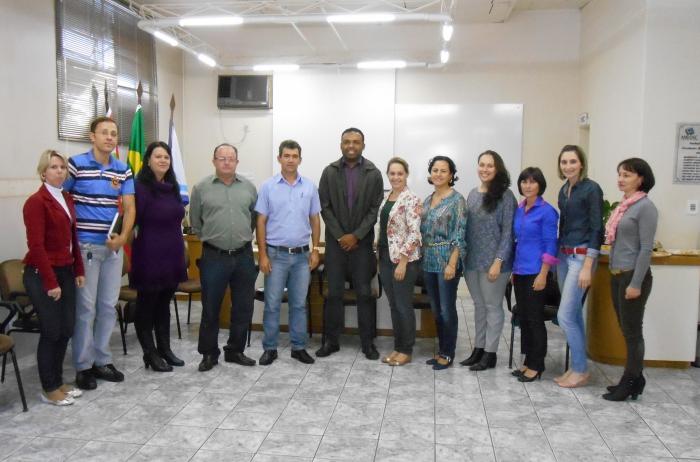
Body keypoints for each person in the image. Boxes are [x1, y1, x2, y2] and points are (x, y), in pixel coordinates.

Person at [64, 117, 135, 390]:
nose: (109, 137)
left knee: (107, 306)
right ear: (92, 136)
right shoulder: (76, 165)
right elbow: (62, 199)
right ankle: (83, 365)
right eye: (104, 133)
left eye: (114, 133)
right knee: (86, 308)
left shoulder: (122, 169)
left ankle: (102, 360)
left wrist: (123, 238)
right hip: (85, 248)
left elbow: (130, 208)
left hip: (112, 249)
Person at [23, 150, 85, 405]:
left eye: (62, 167)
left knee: (67, 328)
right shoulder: (36, 202)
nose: (60, 171)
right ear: (43, 173)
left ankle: (58, 381)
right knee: (52, 330)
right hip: (42, 273)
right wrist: (51, 282)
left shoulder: (66, 198)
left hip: (65, 270)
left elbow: (73, 239)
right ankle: (49, 387)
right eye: (54, 167)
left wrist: (79, 269)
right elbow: (36, 246)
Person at [190, 143, 258, 372]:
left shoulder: (249, 188)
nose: (227, 162)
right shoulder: (201, 188)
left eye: (231, 158)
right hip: (214, 256)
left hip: (243, 255)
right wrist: (213, 238)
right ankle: (209, 354)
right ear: (214, 161)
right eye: (222, 158)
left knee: (243, 306)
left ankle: (235, 350)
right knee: (211, 307)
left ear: (237, 162)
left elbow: (253, 220)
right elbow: (196, 223)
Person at [316, 128, 384, 360]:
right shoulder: (329, 171)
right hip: (336, 246)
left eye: (356, 142)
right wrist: (340, 235)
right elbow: (324, 206)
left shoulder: (373, 173)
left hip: (362, 245)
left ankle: (368, 343)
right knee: (334, 294)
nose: (351, 145)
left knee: (364, 293)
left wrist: (356, 235)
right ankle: (331, 341)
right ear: (341, 144)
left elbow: (375, 209)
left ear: (363, 145)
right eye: (347, 142)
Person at [255, 140, 321, 366]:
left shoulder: (310, 187)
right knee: (272, 303)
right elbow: (260, 221)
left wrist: (316, 249)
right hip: (276, 255)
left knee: (299, 304)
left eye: (294, 156)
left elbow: (315, 219)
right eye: (286, 155)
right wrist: (262, 254)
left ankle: (298, 347)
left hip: (303, 257)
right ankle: (270, 348)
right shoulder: (267, 187)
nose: (290, 159)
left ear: (300, 159)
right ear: (279, 158)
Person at [130, 141, 187, 372]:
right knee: (147, 305)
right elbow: (132, 220)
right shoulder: (139, 187)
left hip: (171, 252)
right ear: (148, 160)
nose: (163, 160)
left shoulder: (172, 187)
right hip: (149, 253)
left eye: (166, 157)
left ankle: (165, 349)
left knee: (164, 303)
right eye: (158, 156)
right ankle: (149, 353)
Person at [603, 158, 657, 401]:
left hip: (633, 277)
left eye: (627, 175)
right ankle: (637, 378)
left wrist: (635, 283)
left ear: (641, 179)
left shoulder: (645, 207)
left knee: (633, 332)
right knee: (626, 330)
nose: (621, 179)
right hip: (617, 274)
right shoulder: (625, 205)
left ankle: (630, 380)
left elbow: (646, 249)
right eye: (620, 174)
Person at [461, 150, 516, 371]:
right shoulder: (473, 194)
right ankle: (479, 348)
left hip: (495, 263)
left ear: (498, 168)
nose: (485, 169)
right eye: (481, 164)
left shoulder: (506, 195)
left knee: (493, 306)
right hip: (472, 261)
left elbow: (508, 232)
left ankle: (491, 353)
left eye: (490, 165)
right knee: (479, 306)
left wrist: (499, 261)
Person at [555, 145, 603, 388]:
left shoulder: (591, 188)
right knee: (573, 315)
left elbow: (597, 228)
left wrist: (588, 265)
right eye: (564, 162)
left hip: (581, 258)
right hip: (564, 256)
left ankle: (581, 369)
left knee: (564, 316)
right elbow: (563, 227)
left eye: (572, 161)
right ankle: (578, 366)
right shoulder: (565, 190)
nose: (568, 166)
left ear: (581, 164)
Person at [511, 167, 559, 382]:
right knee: (524, 318)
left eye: (532, 182)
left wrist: (543, 274)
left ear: (540, 185)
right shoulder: (520, 209)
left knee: (535, 319)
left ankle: (537, 364)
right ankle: (528, 361)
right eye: (524, 181)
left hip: (537, 272)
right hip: (520, 271)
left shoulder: (547, 211)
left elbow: (550, 245)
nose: (527, 185)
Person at [421, 156, 467, 370]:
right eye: (435, 170)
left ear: (451, 175)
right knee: (436, 309)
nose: (438, 174)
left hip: (447, 260)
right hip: (428, 260)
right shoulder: (428, 199)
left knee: (447, 309)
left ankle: (448, 353)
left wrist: (452, 263)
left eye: (443, 170)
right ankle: (441, 350)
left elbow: (460, 233)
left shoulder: (457, 200)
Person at [377, 157, 422, 367]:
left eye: (400, 173)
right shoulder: (387, 198)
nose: (396, 177)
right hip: (385, 257)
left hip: (403, 261)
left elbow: (414, 233)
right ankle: (397, 347)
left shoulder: (411, 199)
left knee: (403, 306)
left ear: (406, 175)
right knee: (394, 306)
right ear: (388, 175)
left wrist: (403, 262)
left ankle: (406, 349)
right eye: (392, 173)